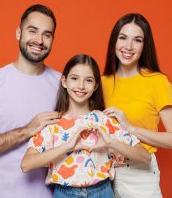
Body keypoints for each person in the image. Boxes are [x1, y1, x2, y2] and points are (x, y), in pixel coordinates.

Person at [21, 54, 151, 198]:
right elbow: (26, 164)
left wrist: (111, 142)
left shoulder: (105, 121)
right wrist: (68, 146)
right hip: (64, 193)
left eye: (88, 80)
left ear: (96, 85)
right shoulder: (53, 123)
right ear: (64, 81)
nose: (81, 86)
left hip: (102, 192)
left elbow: (145, 157)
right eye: (74, 78)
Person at [0, 4, 61, 198]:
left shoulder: (64, 84)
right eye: (33, 31)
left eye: (47, 34)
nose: (39, 40)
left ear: (53, 39)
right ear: (18, 33)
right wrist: (27, 130)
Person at [101, 13, 172, 198]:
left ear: (144, 45)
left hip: (139, 173)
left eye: (137, 40)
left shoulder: (157, 81)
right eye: (123, 38)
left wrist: (130, 128)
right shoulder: (101, 83)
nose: (128, 47)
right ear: (114, 41)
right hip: (103, 173)